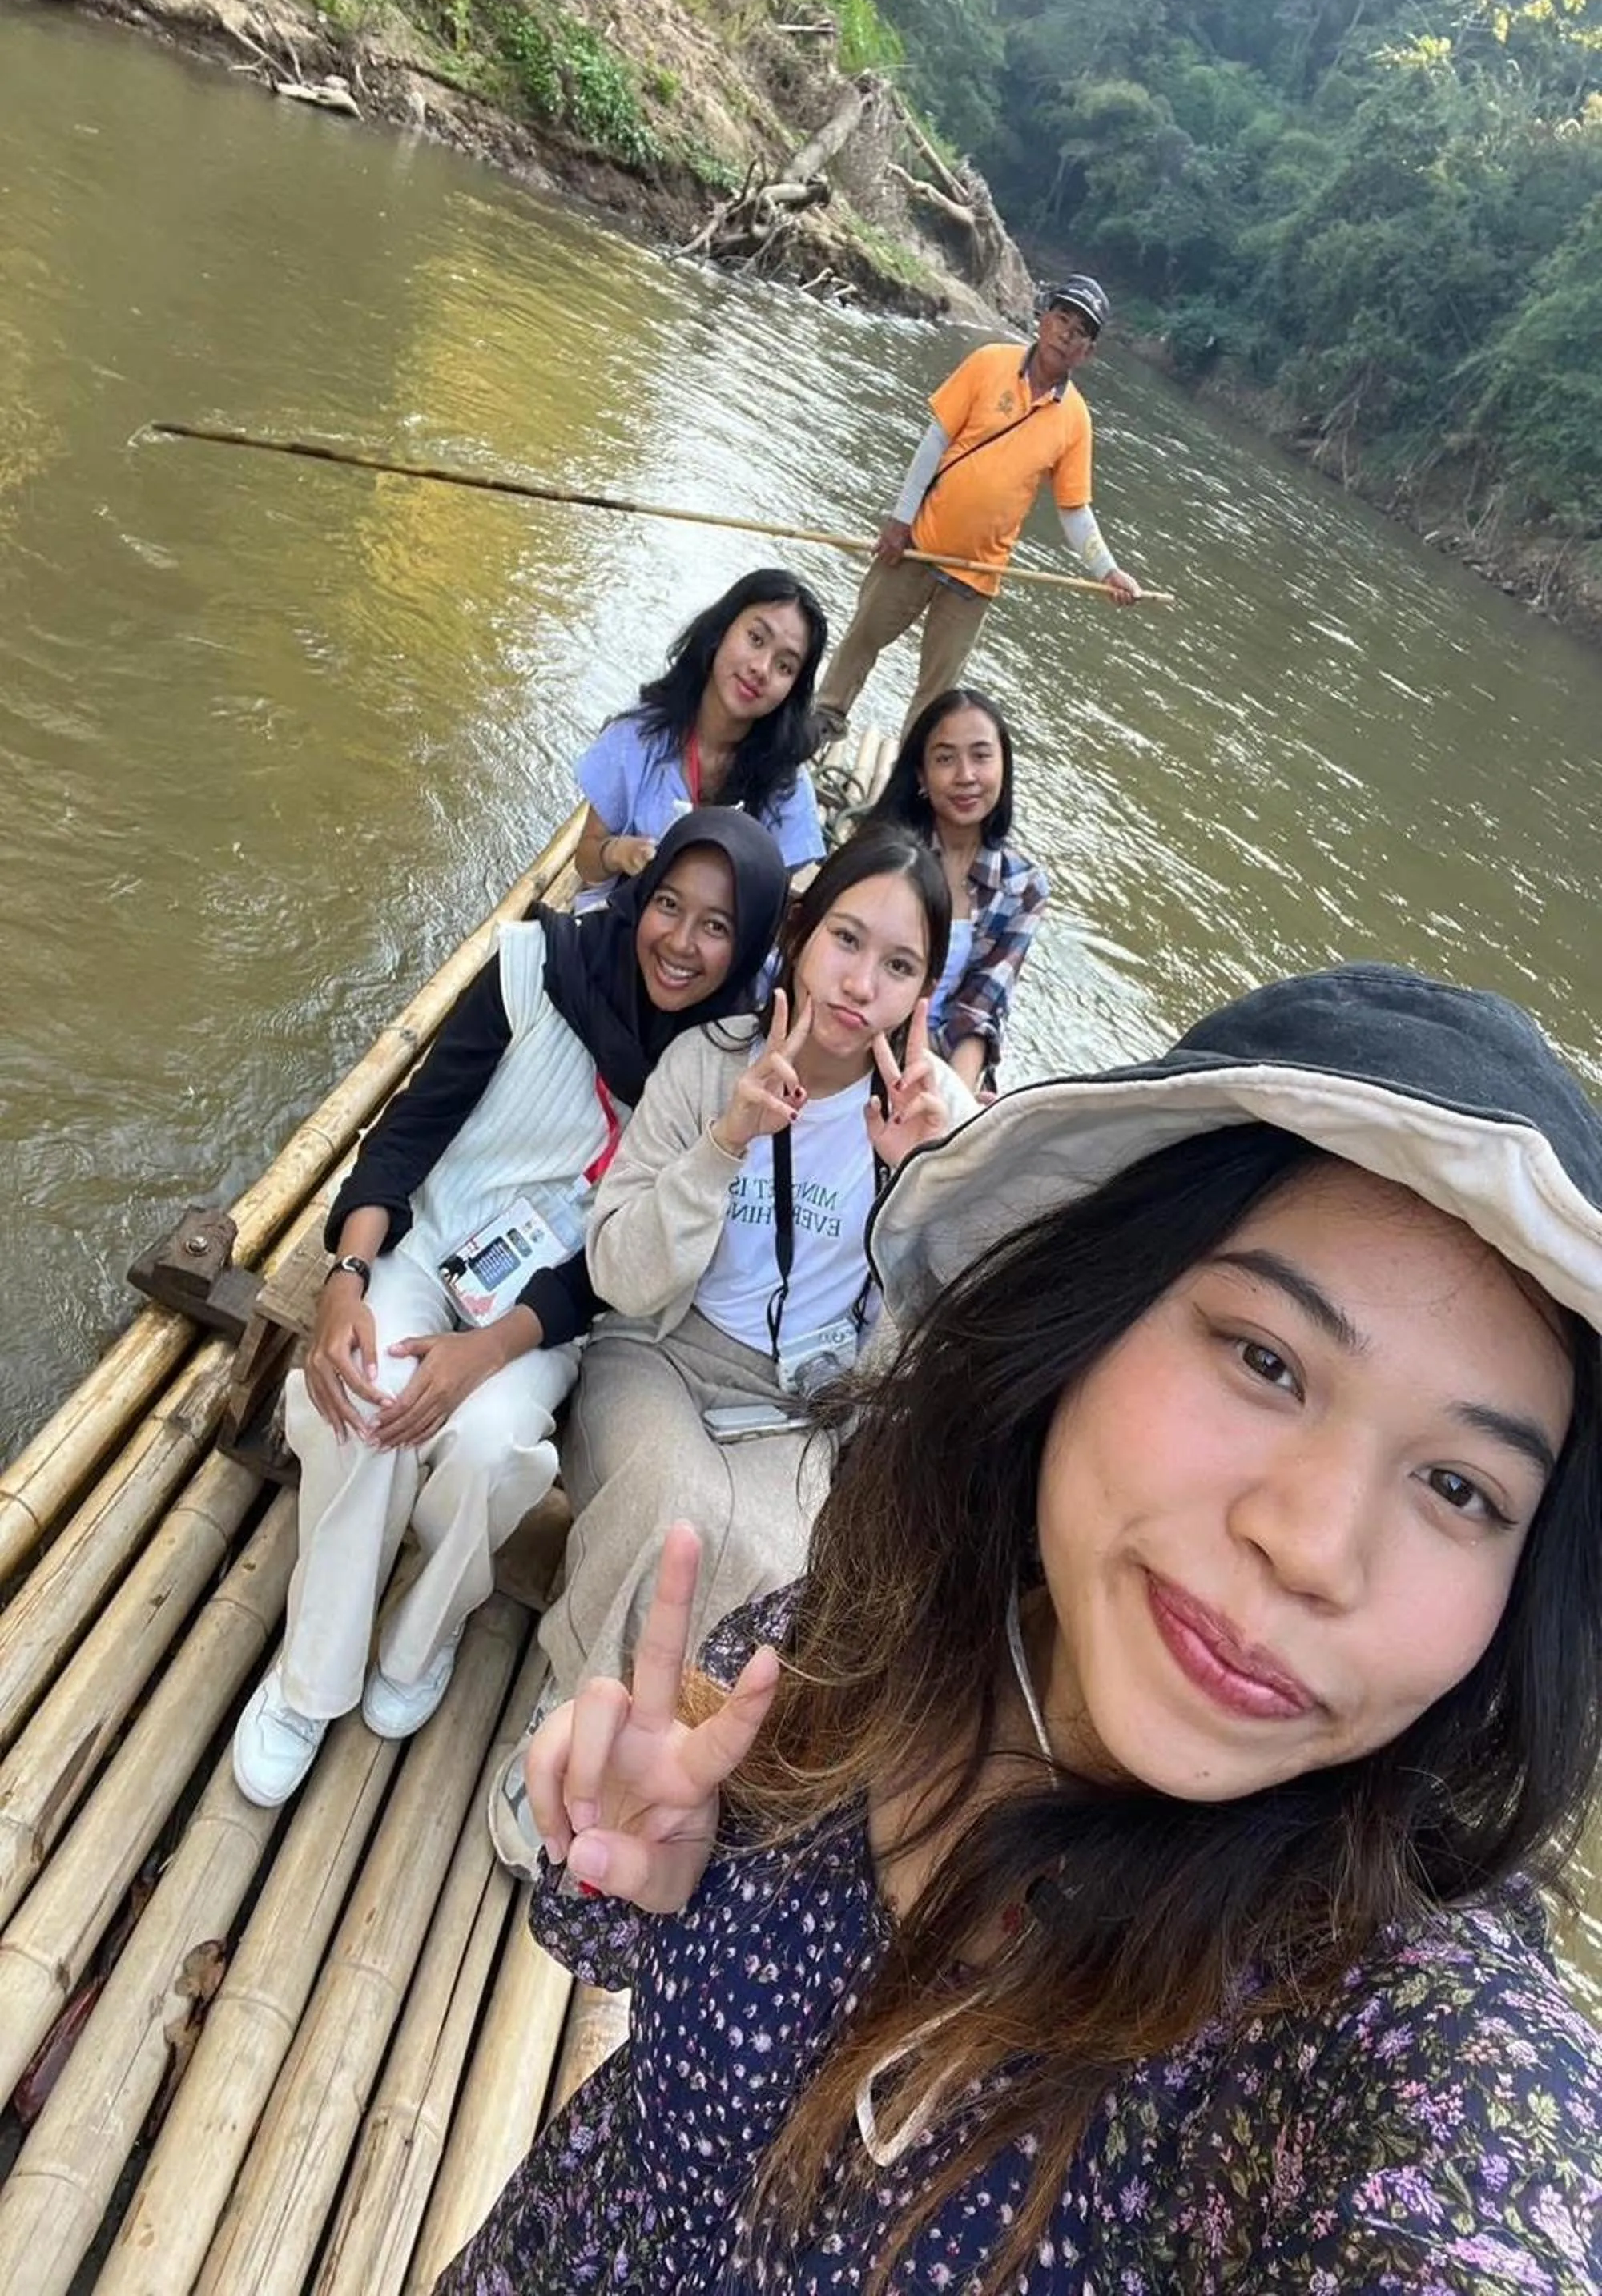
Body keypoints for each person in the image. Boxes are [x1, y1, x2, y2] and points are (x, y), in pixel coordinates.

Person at [441, 959, 1602, 2292]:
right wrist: (620, 1877)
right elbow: (627, 1962)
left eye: (1462, 1487)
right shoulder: (850, 1634)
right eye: (1266, 1359)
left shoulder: (1393, 2042)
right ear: (1086, 1320)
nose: (1316, 1547)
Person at [231, 810, 789, 1808]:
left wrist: (486, 1350)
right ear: (639, 893)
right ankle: (309, 1681)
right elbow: (415, 1127)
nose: (681, 941)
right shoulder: (535, 965)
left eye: (717, 926)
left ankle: (421, 1634)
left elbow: (619, 1266)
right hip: (426, 1244)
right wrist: (347, 1277)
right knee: (362, 1401)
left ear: (746, 946)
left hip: (547, 1313)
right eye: (667, 903)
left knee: (490, 1446)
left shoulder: (718, 1070)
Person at [486, 826, 977, 1870]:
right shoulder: (709, 1065)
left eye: (900, 966)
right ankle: (563, 1721)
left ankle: (653, 1762)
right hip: (661, 1352)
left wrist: (916, 1181)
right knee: (672, 1504)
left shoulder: (939, 1120)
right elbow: (619, 1272)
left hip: (806, 1395)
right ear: (800, 935)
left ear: (927, 989)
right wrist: (725, 1145)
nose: (863, 983)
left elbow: (923, 1353)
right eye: (847, 940)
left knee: (773, 1556)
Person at [815, 277, 1143, 742]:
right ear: (1044, 319)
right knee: (863, 636)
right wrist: (900, 520)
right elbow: (935, 442)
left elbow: (1074, 509)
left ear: (1087, 352)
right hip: (918, 543)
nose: (1066, 333)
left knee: (936, 692)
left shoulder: (1076, 421)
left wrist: (1107, 571)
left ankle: (909, 775)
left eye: (1080, 331)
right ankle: (825, 717)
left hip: (976, 574)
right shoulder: (989, 363)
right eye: (1062, 319)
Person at [574, 567, 828, 896]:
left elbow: (769, 905)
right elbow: (586, 863)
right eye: (755, 639)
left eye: (785, 666)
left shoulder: (786, 787)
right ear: (720, 631)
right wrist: (619, 853)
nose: (761, 669)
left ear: (792, 690)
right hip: (624, 922)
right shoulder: (638, 737)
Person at [865, 686, 1048, 1091]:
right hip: (862, 1026)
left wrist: (955, 1109)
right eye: (945, 759)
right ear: (921, 777)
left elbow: (981, 1004)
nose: (966, 776)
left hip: (937, 1056)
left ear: (1004, 765)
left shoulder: (1023, 887)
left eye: (981, 756)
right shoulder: (885, 852)